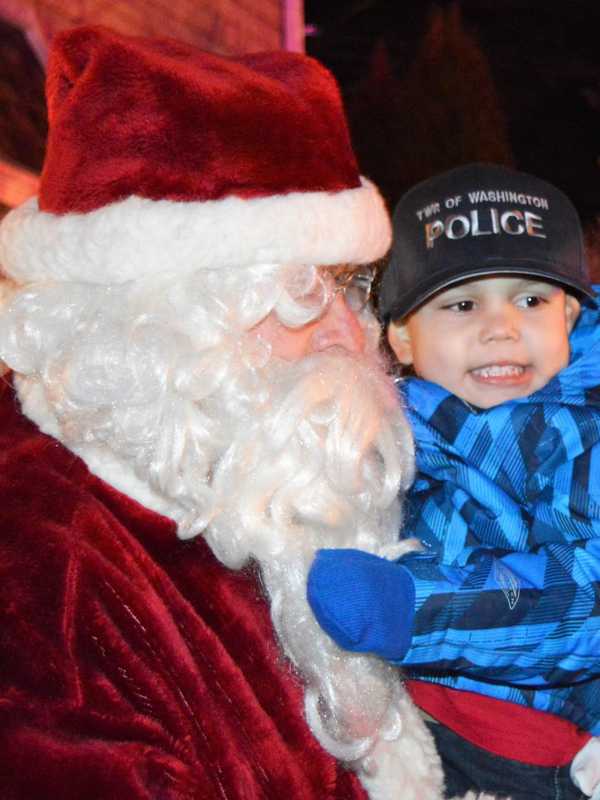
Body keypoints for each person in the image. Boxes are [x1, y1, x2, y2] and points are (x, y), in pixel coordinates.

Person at [0, 24, 487, 800]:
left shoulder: (260, 473)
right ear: (157, 325)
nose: (345, 333)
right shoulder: (46, 573)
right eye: (297, 296)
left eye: (343, 287)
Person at [308, 163, 600, 800]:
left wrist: (416, 606)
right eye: (463, 304)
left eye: (531, 298)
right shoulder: (386, 429)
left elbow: (590, 593)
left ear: (570, 315)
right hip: (424, 734)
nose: (501, 326)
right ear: (404, 336)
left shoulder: (583, 436)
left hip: (548, 755)